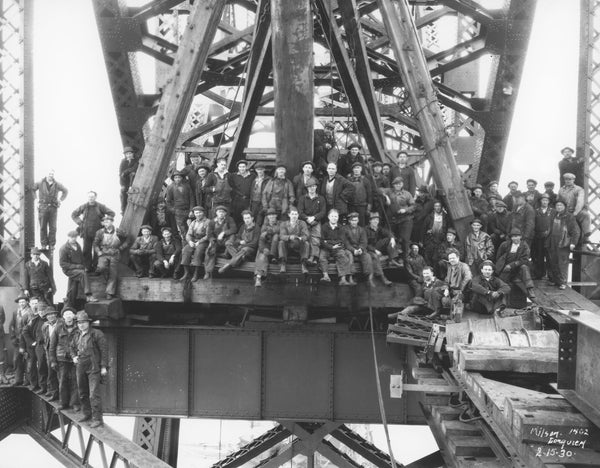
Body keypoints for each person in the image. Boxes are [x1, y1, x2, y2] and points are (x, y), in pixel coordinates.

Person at [72, 311, 108, 428]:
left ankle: (97, 419)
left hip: (93, 367)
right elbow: (71, 347)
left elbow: (104, 351)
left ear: (88, 323)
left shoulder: (97, 334)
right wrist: (74, 356)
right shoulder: (77, 335)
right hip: (81, 365)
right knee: (82, 392)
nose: (81, 325)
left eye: (83, 322)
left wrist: (103, 367)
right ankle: (86, 414)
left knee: (93, 394)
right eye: (79, 323)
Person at [71, 191, 115, 271]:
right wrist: (80, 223)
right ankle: (87, 267)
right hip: (86, 233)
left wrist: (105, 222)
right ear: (87, 198)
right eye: (89, 197)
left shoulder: (101, 206)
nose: (91, 198)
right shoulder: (83, 206)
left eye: (92, 197)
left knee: (97, 251)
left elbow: (112, 213)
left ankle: (95, 267)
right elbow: (74, 214)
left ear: (95, 197)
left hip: (98, 233)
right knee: (86, 251)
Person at [50, 307, 80, 411]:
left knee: (75, 381)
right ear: (63, 317)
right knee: (62, 381)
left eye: (70, 314)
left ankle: (75, 403)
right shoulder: (58, 328)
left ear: (74, 316)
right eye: (66, 314)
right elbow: (52, 345)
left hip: (75, 359)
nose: (68, 316)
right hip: (61, 359)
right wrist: (53, 360)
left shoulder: (78, 327)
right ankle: (63, 403)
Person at [546, 198, 580, 290]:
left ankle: (562, 282)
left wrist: (573, 243)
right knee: (553, 262)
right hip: (553, 242)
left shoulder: (569, 217)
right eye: (557, 205)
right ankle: (555, 280)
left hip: (563, 243)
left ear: (565, 207)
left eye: (561, 205)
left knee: (562, 263)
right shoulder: (554, 215)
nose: (559, 207)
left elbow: (576, 231)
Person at [31, 169, 68, 250]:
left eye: (52, 174)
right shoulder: (40, 182)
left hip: (53, 208)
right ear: (46, 174)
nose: (51, 175)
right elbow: (33, 189)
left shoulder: (57, 184)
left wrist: (60, 200)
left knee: (53, 227)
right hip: (43, 207)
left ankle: (52, 244)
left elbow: (65, 191)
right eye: (49, 174)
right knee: (43, 227)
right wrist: (36, 200)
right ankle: (43, 244)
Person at [93, 214, 128, 299]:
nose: (106, 223)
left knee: (113, 273)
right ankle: (106, 282)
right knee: (101, 268)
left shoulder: (118, 231)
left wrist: (121, 247)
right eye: (105, 222)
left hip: (114, 253)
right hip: (104, 253)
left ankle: (109, 292)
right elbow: (95, 244)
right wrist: (98, 251)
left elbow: (128, 238)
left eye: (108, 221)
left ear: (112, 222)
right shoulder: (100, 232)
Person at [495, 228, 536, 300]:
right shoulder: (505, 245)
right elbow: (498, 257)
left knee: (524, 268)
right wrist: (502, 267)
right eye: (513, 236)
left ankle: (530, 289)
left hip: (518, 269)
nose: (515, 238)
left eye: (517, 236)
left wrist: (512, 265)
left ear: (520, 237)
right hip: (506, 269)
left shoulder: (524, 246)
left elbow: (525, 259)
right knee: (501, 286)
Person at [59, 231, 96, 307]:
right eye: (72, 237)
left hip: (78, 269)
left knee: (73, 286)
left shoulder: (78, 246)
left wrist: (84, 266)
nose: (74, 239)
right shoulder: (64, 248)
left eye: (75, 237)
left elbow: (82, 258)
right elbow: (63, 264)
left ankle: (70, 304)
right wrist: (76, 267)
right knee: (83, 274)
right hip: (69, 270)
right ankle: (89, 295)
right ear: (68, 237)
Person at [319, 209, 355, 285]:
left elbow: (341, 240)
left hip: (338, 247)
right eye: (332, 216)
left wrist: (328, 241)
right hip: (327, 248)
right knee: (322, 257)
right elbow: (322, 241)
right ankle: (326, 276)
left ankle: (343, 279)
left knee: (342, 256)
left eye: (336, 216)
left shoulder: (341, 227)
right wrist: (331, 246)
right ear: (328, 217)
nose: (334, 218)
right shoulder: (324, 226)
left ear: (338, 218)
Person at [383, 177, 415, 256]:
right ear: (393, 185)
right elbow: (379, 190)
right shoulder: (389, 191)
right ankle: (394, 257)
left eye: (399, 184)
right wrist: (385, 196)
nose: (398, 185)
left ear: (402, 184)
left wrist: (405, 210)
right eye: (396, 184)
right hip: (393, 219)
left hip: (405, 219)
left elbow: (413, 206)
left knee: (405, 239)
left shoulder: (407, 194)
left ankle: (405, 258)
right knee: (391, 237)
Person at [298, 178, 326, 266]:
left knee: (316, 239)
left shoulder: (321, 199)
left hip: (316, 221)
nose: (312, 188)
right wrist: (307, 218)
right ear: (307, 188)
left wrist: (314, 218)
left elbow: (323, 212)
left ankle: (314, 257)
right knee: (306, 238)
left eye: (313, 186)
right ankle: (307, 257)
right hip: (305, 221)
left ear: (316, 187)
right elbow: (300, 211)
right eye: (310, 187)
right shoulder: (302, 198)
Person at [204, 206, 237, 278]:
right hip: (217, 241)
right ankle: (207, 272)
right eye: (219, 212)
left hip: (227, 240)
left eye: (223, 212)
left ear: (225, 213)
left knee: (232, 237)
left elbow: (234, 229)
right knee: (209, 251)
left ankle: (228, 255)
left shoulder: (229, 219)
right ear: (216, 213)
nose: (221, 213)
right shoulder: (212, 222)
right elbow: (209, 234)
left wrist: (224, 233)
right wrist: (212, 240)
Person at [180, 206, 211, 282]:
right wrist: (190, 241)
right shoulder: (193, 222)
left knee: (198, 251)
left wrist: (199, 242)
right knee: (185, 250)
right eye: (196, 213)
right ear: (194, 214)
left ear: (203, 213)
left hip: (204, 241)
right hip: (194, 241)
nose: (198, 214)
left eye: (200, 212)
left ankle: (196, 273)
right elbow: (189, 234)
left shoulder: (208, 222)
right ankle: (186, 273)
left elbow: (208, 235)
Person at [343, 212, 374, 286]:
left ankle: (369, 278)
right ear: (349, 221)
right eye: (353, 220)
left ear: (358, 220)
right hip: (349, 249)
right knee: (349, 256)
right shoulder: (345, 229)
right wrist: (353, 250)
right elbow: (346, 243)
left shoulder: (361, 230)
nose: (354, 222)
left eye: (356, 220)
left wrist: (360, 249)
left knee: (367, 256)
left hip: (359, 249)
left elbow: (364, 242)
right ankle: (350, 277)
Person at [558, 172, 591, 243]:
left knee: (585, 215)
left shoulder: (579, 189)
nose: (568, 181)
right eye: (566, 179)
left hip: (575, 211)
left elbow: (580, 201)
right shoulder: (561, 190)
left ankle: (586, 236)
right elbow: (558, 201)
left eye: (570, 179)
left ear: (573, 180)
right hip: (565, 212)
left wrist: (575, 212)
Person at [364, 213, 394, 286]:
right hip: (368, 249)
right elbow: (365, 244)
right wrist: (375, 250)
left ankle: (391, 259)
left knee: (388, 239)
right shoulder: (365, 230)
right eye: (374, 220)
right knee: (374, 256)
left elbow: (388, 233)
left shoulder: (379, 228)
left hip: (376, 246)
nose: (376, 221)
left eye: (377, 220)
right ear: (370, 221)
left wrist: (392, 238)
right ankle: (382, 277)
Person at [22, 305, 48, 393]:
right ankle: (41, 386)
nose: (42, 313)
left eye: (43, 311)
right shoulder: (34, 320)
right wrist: (32, 342)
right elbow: (25, 331)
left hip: (49, 346)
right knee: (40, 366)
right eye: (40, 311)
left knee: (48, 367)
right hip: (39, 346)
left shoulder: (50, 319)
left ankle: (49, 388)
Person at [277, 207, 310, 274]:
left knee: (306, 243)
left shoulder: (302, 223)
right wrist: (289, 237)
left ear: (298, 215)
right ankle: (283, 264)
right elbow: (281, 236)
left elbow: (306, 235)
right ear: (289, 215)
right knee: (281, 242)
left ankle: (304, 265)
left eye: (296, 214)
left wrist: (302, 238)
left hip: (298, 245)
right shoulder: (284, 224)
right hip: (288, 246)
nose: (294, 216)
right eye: (292, 214)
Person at [9, 295, 32, 386]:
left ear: (26, 302)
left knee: (27, 360)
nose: (22, 303)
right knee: (17, 359)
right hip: (17, 341)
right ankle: (18, 379)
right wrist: (13, 337)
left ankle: (27, 380)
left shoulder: (30, 312)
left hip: (26, 341)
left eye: (23, 301)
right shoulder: (15, 312)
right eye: (20, 302)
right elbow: (11, 326)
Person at [253, 208, 281, 287]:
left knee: (276, 236)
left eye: (273, 215)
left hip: (277, 249)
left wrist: (271, 231)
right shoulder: (264, 226)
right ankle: (258, 278)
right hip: (266, 246)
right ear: (267, 217)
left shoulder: (280, 223)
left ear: (276, 215)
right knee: (262, 257)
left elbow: (280, 231)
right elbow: (261, 239)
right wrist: (263, 249)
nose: (272, 216)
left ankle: (272, 257)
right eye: (270, 215)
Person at [165, 171, 194, 239]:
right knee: (182, 228)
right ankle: (185, 242)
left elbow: (192, 198)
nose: (177, 179)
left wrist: (191, 210)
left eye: (179, 177)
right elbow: (168, 201)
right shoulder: (171, 187)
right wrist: (174, 210)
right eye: (176, 177)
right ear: (174, 179)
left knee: (191, 227)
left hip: (188, 210)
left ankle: (192, 241)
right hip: (178, 211)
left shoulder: (187, 186)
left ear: (182, 178)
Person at [532, 193, 554, 279]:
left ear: (548, 202)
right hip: (538, 237)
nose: (544, 202)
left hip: (549, 237)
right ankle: (539, 274)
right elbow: (534, 223)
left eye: (546, 200)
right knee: (539, 256)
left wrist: (549, 231)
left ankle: (551, 276)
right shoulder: (536, 211)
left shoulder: (553, 211)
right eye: (543, 200)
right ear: (540, 201)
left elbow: (554, 223)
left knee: (549, 257)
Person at [421, 200, 448, 265]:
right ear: (433, 207)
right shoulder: (429, 217)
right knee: (428, 256)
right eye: (436, 206)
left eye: (439, 206)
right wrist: (421, 241)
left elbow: (447, 228)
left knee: (438, 257)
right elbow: (423, 229)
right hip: (430, 239)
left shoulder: (445, 217)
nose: (438, 208)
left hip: (440, 239)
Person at [41, 308, 59, 400]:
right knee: (51, 372)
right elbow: (45, 338)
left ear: (55, 315)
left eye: (52, 314)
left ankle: (62, 396)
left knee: (60, 373)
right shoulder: (45, 326)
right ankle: (54, 392)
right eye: (48, 315)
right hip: (49, 352)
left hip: (59, 351)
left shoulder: (60, 324)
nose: (50, 316)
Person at [118, 147, 138, 214]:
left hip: (134, 181)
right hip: (125, 181)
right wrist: (122, 185)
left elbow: (134, 168)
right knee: (123, 192)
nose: (128, 155)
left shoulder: (136, 160)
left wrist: (126, 172)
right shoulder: (123, 162)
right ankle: (123, 209)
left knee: (132, 174)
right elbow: (120, 174)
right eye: (127, 154)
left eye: (130, 153)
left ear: (132, 154)